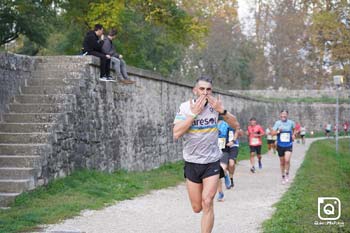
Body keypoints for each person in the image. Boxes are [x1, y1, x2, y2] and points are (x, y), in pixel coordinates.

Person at [173, 76, 240, 233]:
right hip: (192, 162)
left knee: (208, 201)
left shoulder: (215, 107)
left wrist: (222, 111)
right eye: (201, 89)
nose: (205, 92)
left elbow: (236, 124)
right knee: (197, 207)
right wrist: (193, 114)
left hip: (212, 161)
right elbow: (176, 133)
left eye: (208, 89)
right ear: (195, 90)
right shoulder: (184, 107)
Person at [216, 118, 241, 201]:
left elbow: (238, 130)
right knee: (218, 169)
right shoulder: (211, 123)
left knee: (230, 164)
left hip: (230, 146)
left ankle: (229, 177)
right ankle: (220, 193)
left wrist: (233, 140)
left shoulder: (228, 122)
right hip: (218, 147)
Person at [271, 110, 295, 185]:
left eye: (285, 115)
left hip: (288, 144)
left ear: (287, 115)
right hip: (280, 145)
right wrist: (278, 131)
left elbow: (294, 130)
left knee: (287, 160)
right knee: (282, 162)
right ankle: (283, 176)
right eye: (282, 115)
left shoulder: (291, 123)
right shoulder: (277, 123)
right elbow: (272, 133)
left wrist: (294, 135)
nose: (283, 116)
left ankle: (287, 173)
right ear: (280, 115)